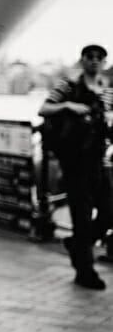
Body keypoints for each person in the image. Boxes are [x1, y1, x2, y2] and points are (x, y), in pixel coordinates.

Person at [39, 43, 113, 290]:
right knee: (81, 218)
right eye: (90, 57)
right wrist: (68, 106)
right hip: (75, 161)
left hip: (99, 159)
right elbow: (44, 108)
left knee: (108, 212)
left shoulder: (107, 90)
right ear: (82, 60)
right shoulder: (67, 86)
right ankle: (85, 271)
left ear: (103, 62)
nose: (95, 61)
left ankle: (77, 244)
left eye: (99, 58)